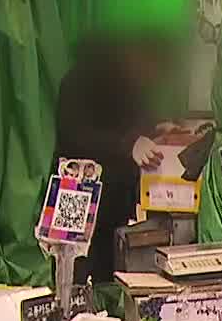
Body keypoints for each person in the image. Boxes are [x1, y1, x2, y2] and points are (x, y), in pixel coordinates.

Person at [54, 37, 167, 282]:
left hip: (113, 201)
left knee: (108, 271)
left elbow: (131, 121)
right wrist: (129, 143)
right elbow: (76, 135)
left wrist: (155, 129)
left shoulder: (128, 86)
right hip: (76, 193)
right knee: (74, 274)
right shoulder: (78, 82)